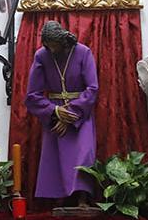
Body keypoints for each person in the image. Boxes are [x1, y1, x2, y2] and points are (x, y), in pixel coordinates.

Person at [25, 21, 99, 204]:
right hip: (54, 114)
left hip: (80, 114)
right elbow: (32, 94)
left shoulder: (83, 52)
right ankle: (60, 199)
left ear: (64, 41)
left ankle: (83, 198)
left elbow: (92, 88)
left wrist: (70, 115)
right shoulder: (41, 56)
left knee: (84, 155)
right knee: (56, 156)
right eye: (48, 46)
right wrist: (55, 111)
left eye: (54, 46)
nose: (51, 50)